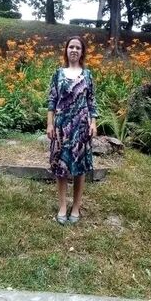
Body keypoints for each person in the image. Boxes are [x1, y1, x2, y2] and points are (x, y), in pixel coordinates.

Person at [47, 36, 97, 225]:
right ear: (66, 50)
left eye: (78, 47)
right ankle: (62, 206)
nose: (74, 50)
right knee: (61, 167)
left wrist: (93, 123)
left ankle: (76, 207)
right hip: (61, 127)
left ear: (82, 52)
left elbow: (91, 101)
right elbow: (52, 100)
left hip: (81, 127)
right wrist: (50, 124)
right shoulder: (58, 74)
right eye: (71, 47)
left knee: (79, 168)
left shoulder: (88, 75)